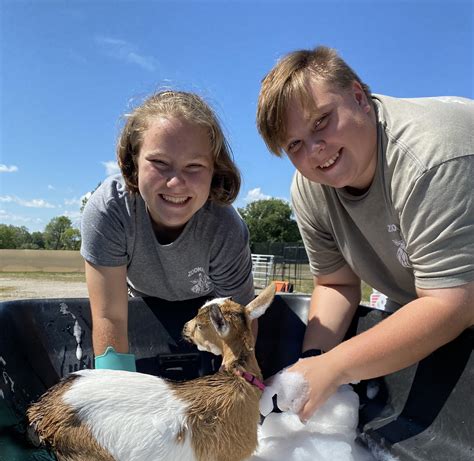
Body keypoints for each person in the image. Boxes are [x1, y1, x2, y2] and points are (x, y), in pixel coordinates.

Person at [256, 45, 474, 421]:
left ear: (359, 97)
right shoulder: (310, 188)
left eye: (321, 121)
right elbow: (336, 284)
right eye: (294, 144)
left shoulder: (431, 159)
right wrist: (313, 361)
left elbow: (453, 304)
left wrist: (336, 367)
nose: (315, 150)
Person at [81, 90, 255, 371]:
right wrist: (115, 399)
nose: (176, 182)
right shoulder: (111, 211)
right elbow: (110, 317)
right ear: (133, 163)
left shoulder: (224, 228)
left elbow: (240, 324)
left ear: (215, 171)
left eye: (195, 166)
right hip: (141, 307)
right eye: (159, 163)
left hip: (207, 313)